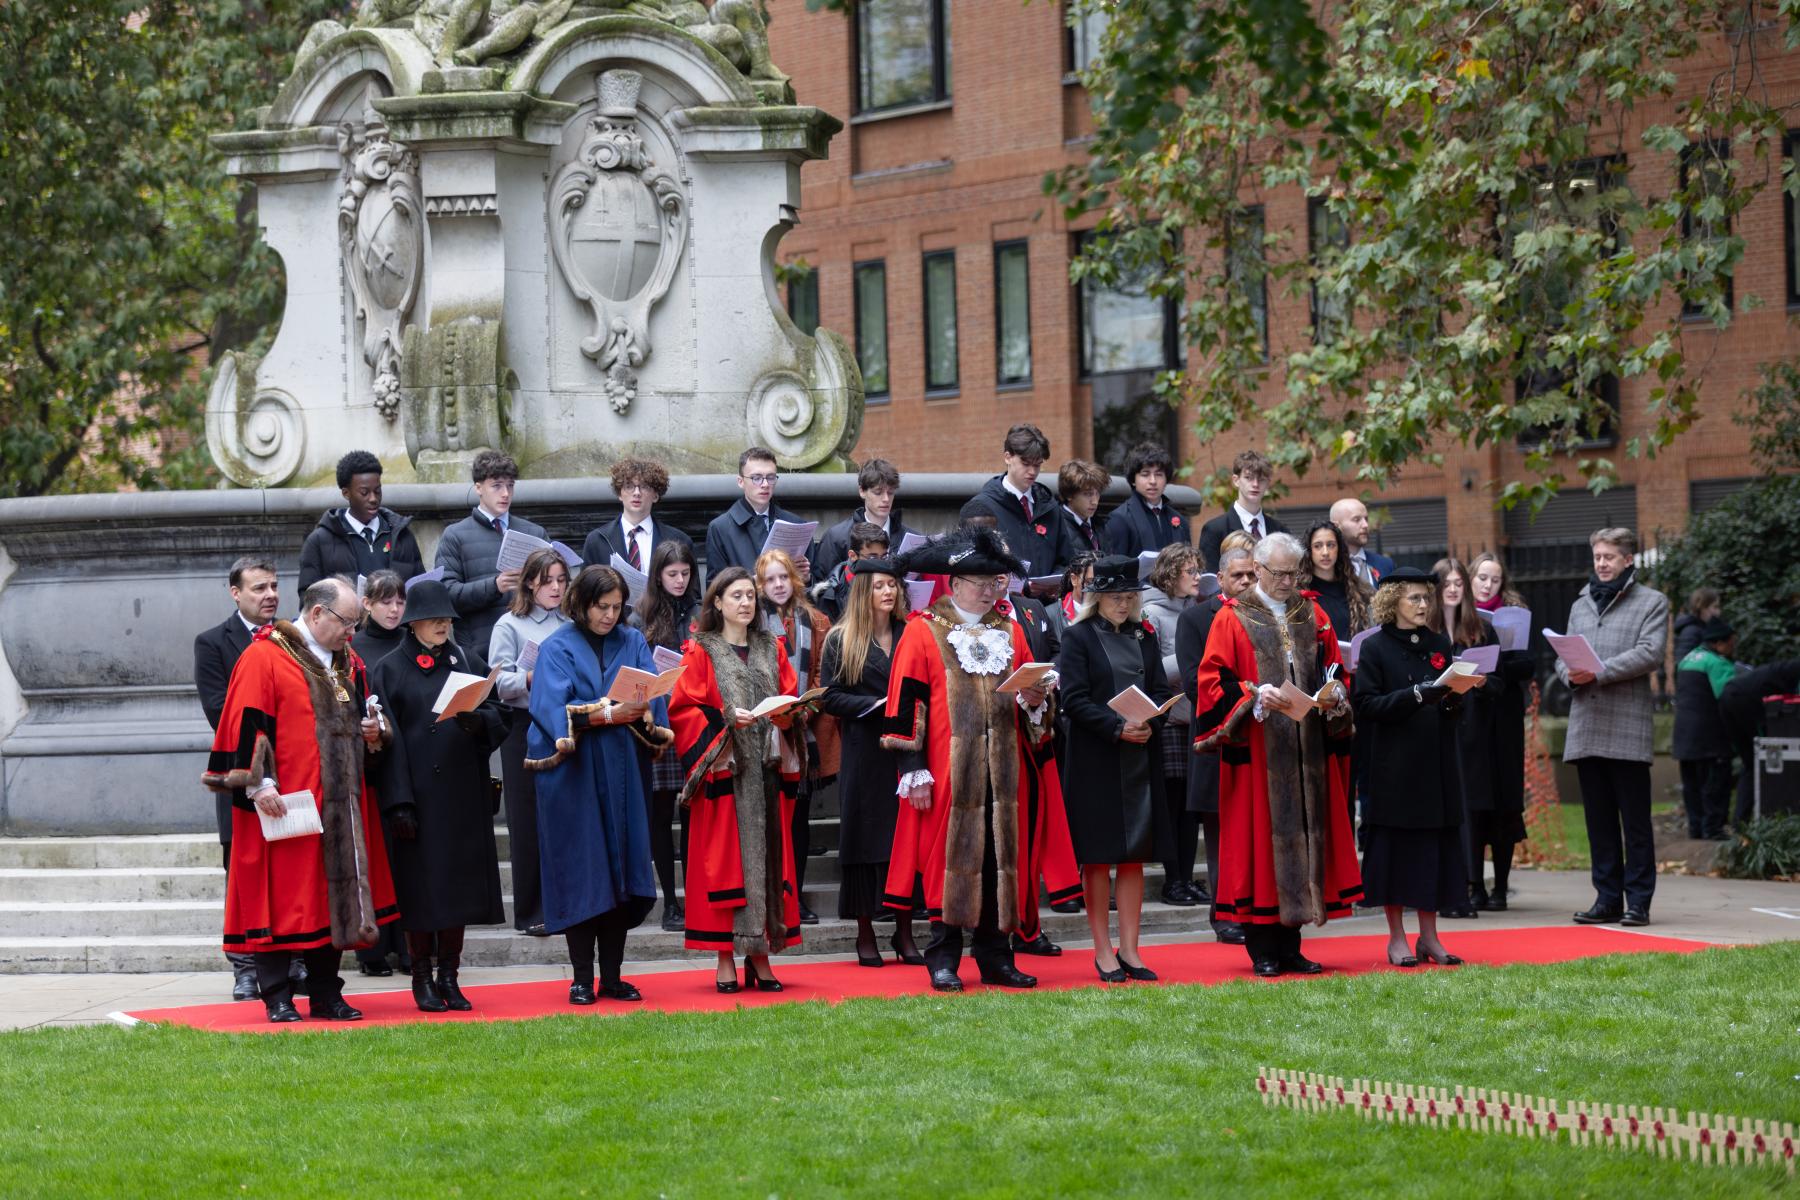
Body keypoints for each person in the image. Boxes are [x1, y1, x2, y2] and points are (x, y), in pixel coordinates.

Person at [201, 577, 399, 1023]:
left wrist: (375, 732)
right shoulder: (266, 656)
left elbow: (370, 714)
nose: (354, 631)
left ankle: (328, 992)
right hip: (288, 802)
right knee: (284, 900)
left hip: (340, 803)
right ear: (316, 614)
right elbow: (246, 721)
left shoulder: (349, 661)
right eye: (348, 622)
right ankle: (277, 995)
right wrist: (259, 784)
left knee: (333, 901)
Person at [882, 525, 1055, 992]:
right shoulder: (922, 632)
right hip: (946, 770)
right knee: (949, 861)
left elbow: (1030, 706)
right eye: (978, 583)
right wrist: (911, 770)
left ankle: (997, 957)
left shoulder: (1012, 632)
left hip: (1003, 770)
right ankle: (943, 957)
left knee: (1000, 861)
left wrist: (1037, 699)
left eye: (994, 582)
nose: (987, 590)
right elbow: (905, 705)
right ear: (954, 585)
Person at [1193, 532, 1361, 977]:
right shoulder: (1232, 618)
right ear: (1260, 570)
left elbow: (1333, 667)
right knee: (1260, 851)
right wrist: (1253, 695)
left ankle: (1293, 944)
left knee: (1304, 842)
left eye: (1293, 573)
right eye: (1279, 573)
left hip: (1306, 752)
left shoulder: (1313, 612)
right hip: (1259, 753)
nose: (1288, 581)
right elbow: (1212, 684)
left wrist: (1336, 691)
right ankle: (1262, 948)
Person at [526, 565, 668, 1004]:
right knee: (584, 871)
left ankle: (612, 976)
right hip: (577, 776)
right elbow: (551, 706)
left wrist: (644, 710)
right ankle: (582, 979)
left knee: (622, 873)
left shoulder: (632, 641)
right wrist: (605, 713)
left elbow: (651, 697)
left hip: (624, 771)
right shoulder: (556, 647)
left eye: (616, 606)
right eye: (601, 607)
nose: (610, 615)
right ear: (581, 603)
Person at [368, 580, 507, 1012]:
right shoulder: (390, 669)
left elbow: (498, 711)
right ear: (413, 625)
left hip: (462, 795)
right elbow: (387, 741)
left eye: (447, 619)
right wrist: (399, 802)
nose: (443, 626)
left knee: (458, 893)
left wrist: (478, 723)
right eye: (435, 620)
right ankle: (423, 976)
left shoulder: (465, 658)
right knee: (422, 894)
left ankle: (451, 974)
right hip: (419, 799)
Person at [671, 566, 806, 992]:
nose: (746, 603)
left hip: (766, 771)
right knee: (728, 867)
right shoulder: (701, 650)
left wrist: (788, 714)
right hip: (726, 775)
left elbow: (789, 697)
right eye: (736, 596)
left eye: (751, 595)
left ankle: (761, 956)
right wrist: (726, 722)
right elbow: (684, 709)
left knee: (768, 861)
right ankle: (725, 956)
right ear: (717, 602)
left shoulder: (772, 646)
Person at [1057, 554, 1175, 981]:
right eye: (1114, 598)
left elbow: (1160, 691)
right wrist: (1116, 727)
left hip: (1139, 755)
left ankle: (1131, 949)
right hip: (1096, 757)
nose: (1123, 605)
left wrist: (1151, 721)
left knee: (1134, 858)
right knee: (1098, 857)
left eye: (1129, 597)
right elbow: (1072, 698)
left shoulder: (1145, 635)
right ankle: (1103, 950)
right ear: (1096, 598)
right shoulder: (1079, 637)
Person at [1354, 567, 1473, 967]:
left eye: (1427, 598)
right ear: (1393, 603)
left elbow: (1451, 708)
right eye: (1415, 598)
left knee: (1432, 854)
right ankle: (1397, 938)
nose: (1424, 605)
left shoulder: (1440, 642)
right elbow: (1367, 705)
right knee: (1395, 854)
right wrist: (1417, 695)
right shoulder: (1374, 648)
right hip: (1394, 767)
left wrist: (1458, 696)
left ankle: (1430, 937)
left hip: (1435, 763)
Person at [1557, 527, 1670, 927]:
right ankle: (1606, 897)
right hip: (1587, 722)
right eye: (1597, 557)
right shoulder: (1581, 603)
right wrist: (1570, 673)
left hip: (1626, 725)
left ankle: (1638, 901)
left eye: (1608, 557)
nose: (1601, 564)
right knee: (1599, 821)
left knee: (1635, 822)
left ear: (1627, 560)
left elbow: (1650, 652)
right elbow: (1563, 651)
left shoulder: (1652, 602)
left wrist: (1598, 672)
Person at [817, 557, 922, 967]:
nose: (889, 592)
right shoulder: (842, 639)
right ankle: (864, 933)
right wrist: (875, 705)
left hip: (905, 752)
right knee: (862, 843)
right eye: (880, 586)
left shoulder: (910, 633)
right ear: (864, 592)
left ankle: (905, 932)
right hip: (863, 751)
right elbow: (829, 696)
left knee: (903, 841)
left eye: (893, 585)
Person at [192, 555, 282, 1001]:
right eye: (259, 588)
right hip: (239, 774)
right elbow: (218, 708)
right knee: (242, 874)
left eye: (273, 586)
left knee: (288, 867)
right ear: (236, 593)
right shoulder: (212, 643)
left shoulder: (291, 638)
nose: (270, 595)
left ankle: (293, 960)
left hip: (291, 771)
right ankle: (245, 968)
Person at [1434, 556, 1532, 913]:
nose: (1455, 590)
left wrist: (1481, 681)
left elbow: (1504, 676)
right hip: (1451, 729)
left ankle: (1496, 886)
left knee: (1497, 807)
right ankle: (1471, 883)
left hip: (1489, 726)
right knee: (1467, 809)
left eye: (1459, 584)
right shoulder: (1429, 629)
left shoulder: (1481, 628)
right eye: (1449, 584)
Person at [1175, 540, 1258, 944]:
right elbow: (1194, 683)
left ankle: (1260, 911)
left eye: (1251, 574)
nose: (1245, 581)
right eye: (1238, 575)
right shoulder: (1195, 620)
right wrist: (1251, 693)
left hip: (1263, 741)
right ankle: (1225, 914)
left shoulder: (1267, 617)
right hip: (1216, 739)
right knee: (1222, 834)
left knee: (1257, 830)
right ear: (1220, 578)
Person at [487, 548, 572, 936]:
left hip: (567, 723)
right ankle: (531, 910)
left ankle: (567, 904)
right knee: (526, 821)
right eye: (548, 580)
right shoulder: (510, 623)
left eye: (561, 580)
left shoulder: (571, 621)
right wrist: (533, 677)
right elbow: (499, 682)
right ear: (530, 581)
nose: (555, 588)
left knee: (563, 816)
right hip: (525, 724)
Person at [755, 547, 838, 925]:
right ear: (760, 584)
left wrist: (804, 708)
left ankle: (796, 895)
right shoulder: (751, 621)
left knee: (798, 822)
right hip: (763, 732)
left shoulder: (815, 620)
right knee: (767, 822)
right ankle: (768, 897)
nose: (778, 585)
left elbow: (823, 672)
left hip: (803, 732)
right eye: (770, 579)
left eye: (783, 577)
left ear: (794, 579)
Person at [629, 539, 700, 930]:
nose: (679, 580)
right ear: (657, 575)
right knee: (659, 816)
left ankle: (693, 897)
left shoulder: (700, 610)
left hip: (692, 721)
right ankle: (670, 901)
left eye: (685, 573)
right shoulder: (641, 615)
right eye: (672, 574)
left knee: (691, 813)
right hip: (658, 720)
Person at [436, 449, 548, 659]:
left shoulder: (535, 533)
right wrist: (495, 586)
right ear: (478, 488)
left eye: (510, 485)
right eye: (497, 486)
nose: (505, 493)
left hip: (532, 645)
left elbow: (556, 589)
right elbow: (446, 595)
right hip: (480, 652)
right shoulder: (454, 536)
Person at [1141, 543, 1204, 907]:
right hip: (1169, 718)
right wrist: (1191, 659)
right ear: (1170, 573)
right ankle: (1172, 880)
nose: (1198, 577)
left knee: (1190, 809)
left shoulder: (1194, 610)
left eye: (1198, 570)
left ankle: (1187, 877)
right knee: (1171, 804)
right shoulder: (1151, 611)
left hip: (1192, 716)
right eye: (1190, 571)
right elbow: (1151, 670)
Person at [297, 450, 424, 590]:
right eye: (364, 493)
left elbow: (421, 589)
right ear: (346, 493)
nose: (373, 499)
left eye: (377, 491)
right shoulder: (319, 541)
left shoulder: (402, 535)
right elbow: (308, 598)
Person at [976, 423, 1079, 593]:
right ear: (1007, 457)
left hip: (1047, 608)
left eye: (1037, 465)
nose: (1032, 471)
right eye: (1025, 463)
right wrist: (1025, 587)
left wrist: (1057, 583)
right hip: (1004, 608)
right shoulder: (984, 507)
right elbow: (977, 566)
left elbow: (1066, 559)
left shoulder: (1049, 505)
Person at [1673, 618, 1738, 840]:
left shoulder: (1686, 660)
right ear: (1719, 643)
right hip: (1710, 739)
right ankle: (1713, 829)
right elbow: (1728, 698)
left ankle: (1696, 827)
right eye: (1731, 643)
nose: (1733, 647)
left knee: (1691, 786)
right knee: (1715, 784)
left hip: (1684, 738)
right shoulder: (1717, 663)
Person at [579, 456, 694, 577]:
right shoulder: (597, 540)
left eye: (644, 487)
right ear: (619, 493)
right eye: (629, 486)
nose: (637, 493)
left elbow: (692, 593)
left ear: (655, 495)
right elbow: (586, 591)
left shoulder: (679, 541)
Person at [705, 446, 810, 580]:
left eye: (771, 477)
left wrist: (806, 577)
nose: (765, 484)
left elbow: (811, 587)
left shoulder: (796, 524)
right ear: (741, 482)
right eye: (757, 478)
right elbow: (715, 589)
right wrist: (752, 583)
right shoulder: (720, 528)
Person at [1720, 657, 1800, 823]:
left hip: (1728, 698)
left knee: (1751, 764)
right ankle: (1767, 815)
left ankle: (1740, 823)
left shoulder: (1782, 669)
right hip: (1745, 702)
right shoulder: (1792, 670)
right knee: (1764, 761)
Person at [814, 457, 916, 580]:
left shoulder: (911, 537)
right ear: (862, 491)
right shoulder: (836, 538)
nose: (886, 499)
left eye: (890, 493)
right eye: (878, 492)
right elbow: (823, 587)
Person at [1198, 450, 1287, 572]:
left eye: (1261, 479)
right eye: (1248, 478)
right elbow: (1210, 581)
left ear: (1268, 483)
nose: (1255, 484)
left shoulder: (1280, 530)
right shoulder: (1214, 530)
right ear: (1236, 480)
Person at [1102, 442, 1190, 558]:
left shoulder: (1180, 521)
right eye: (1145, 474)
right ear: (1133, 479)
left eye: (1159, 474)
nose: (1153, 481)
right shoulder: (1119, 519)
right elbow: (1116, 567)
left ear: (1166, 479)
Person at [1299, 521, 1372, 644]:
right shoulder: (1298, 592)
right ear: (1309, 551)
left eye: (1331, 545)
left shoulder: (1358, 589)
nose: (1325, 552)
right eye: (1318, 546)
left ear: (1339, 548)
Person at [810, 521, 889, 622]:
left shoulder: (893, 586)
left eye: (884, 557)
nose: (880, 564)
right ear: (852, 556)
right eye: (872, 558)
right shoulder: (829, 596)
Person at [1328, 497, 1395, 587]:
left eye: (1366, 519)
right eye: (1356, 519)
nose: (1365, 525)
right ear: (1335, 526)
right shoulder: (1327, 567)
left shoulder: (1385, 565)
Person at [353, 570, 409, 669]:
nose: (395, 609)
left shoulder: (412, 638)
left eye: (400, 603)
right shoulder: (353, 646)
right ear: (367, 603)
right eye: (386, 602)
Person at [1046, 549, 1100, 644]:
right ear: (1074, 579)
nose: (1095, 588)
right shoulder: (1050, 615)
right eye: (1090, 582)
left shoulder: (1109, 612)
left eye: (1100, 582)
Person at [1058, 459, 1110, 555]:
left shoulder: (1100, 524)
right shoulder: (1056, 526)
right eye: (1087, 494)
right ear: (1069, 494)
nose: (1095, 501)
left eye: (1097, 493)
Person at [1672, 587, 1722, 663]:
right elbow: (1683, 662)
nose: (1718, 612)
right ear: (1702, 607)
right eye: (1715, 607)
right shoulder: (1691, 631)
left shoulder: (1704, 628)